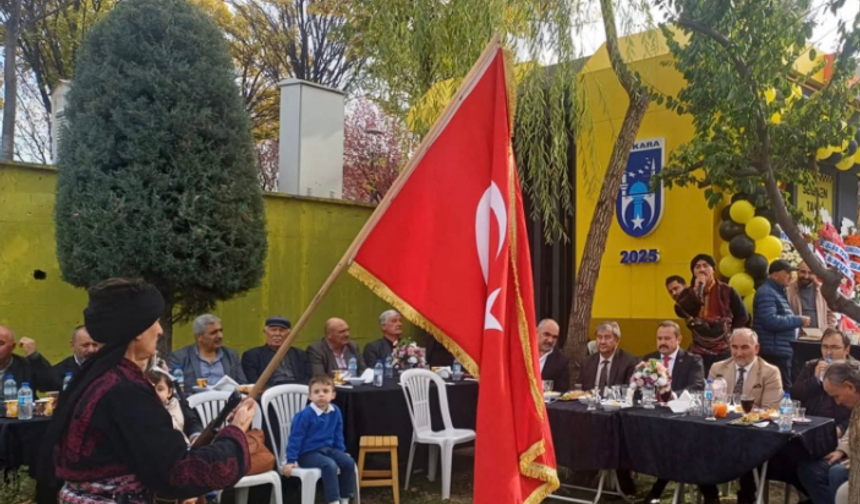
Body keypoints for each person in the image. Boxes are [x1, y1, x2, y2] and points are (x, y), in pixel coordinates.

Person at [42, 278, 256, 503]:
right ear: (137, 330)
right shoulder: (125, 391)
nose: (160, 330)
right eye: (155, 321)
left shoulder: (95, 378)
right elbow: (176, 473)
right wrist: (236, 431)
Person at [703, 328, 783, 504]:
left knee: (747, 451)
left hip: (752, 435)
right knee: (696, 443)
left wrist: (741, 412)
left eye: (745, 347)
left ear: (756, 348)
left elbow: (771, 409)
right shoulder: (718, 368)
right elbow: (708, 401)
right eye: (734, 347)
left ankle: (746, 496)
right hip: (719, 431)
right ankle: (710, 496)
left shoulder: (770, 372)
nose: (739, 353)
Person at [641, 321, 706, 504]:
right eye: (659, 338)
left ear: (679, 339)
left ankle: (658, 489)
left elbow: (697, 386)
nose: (662, 342)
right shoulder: (648, 359)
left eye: (667, 338)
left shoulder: (693, 360)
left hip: (681, 417)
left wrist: (671, 395)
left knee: (682, 443)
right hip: (653, 416)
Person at [282, 374, 356, 504]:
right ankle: (333, 500)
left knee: (348, 462)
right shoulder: (304, 415)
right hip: (307, 453)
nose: (321, 395)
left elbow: (338, 434)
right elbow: (295, 438)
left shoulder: (335, 411)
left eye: (325, 391)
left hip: (328, 449)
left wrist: (341, 451)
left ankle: (345, 498)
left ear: (333, 395)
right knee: (329, 465)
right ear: (310, 396)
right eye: (316, 392)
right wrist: (290, 460)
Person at [674, 254, 749, 375]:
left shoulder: (727, 290)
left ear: (713, 269)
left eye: (705, 266)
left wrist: (727, 331)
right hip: (699, 348)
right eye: (697, 267)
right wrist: (695, 291)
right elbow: (680, 310)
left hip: (723, 350)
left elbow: (743, 316)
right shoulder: (688, 292)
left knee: (722, 384)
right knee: (698, 384)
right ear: (693, 272)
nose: (702, 269)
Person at [800, 360, 860, 504]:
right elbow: (853, 430)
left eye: (836, 396)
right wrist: (842, 450)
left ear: (849, 386)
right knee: (809, 469)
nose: (837, 402)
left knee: (837, 473)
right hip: (850, 456)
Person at [754, 259, 808, 391]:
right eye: (787, 272)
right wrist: (798, 321)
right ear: (775, 274)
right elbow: (770, 320)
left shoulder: (778, 292)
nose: (791, 276)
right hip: (773, 352)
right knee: (780, 389)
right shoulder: (767, 292)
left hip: (780, 351)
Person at [791, 328, 852, 436]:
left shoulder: (855, 371)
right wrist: (814, 379)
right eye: (825, 347)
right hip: (810, 424)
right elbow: (795, 394)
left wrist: (842, 429)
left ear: (847, 350)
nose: (828, 352)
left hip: (839, 427)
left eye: (835, 347)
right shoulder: (811, 366)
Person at [169, 314, 247, 391]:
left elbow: (243, 385)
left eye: (220, 331)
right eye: (213, 333)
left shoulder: (231, 355)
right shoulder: (180, 358)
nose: (220, 336)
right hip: (195, 402)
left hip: (227, 401)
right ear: (199, 337)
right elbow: (176, 390)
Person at [242, 316, 309, 388]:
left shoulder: (300, 355)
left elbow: (308, 379)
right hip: (269, 394)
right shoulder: (252, 356)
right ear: (265, 332)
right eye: (273, 330)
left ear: (289, 334)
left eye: (282, 330)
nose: (277, 334)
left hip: (298, 392)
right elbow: (254, 383)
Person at [580, 322, 638, 393]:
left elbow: (630, 392)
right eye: (599, 337)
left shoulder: (628, 362)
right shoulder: (587, 362)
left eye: (607, 337)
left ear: (617, 341)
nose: (602, 341)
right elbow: (581, 390)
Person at [0, 326, 58, 393]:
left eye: (0, 343)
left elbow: (52, 387)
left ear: (13, 347)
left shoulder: (25, 366)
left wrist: (34, 356)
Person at [787, 261, 836, 333]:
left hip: (820, 338)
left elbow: (831, 314)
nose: (806, 276)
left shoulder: (823, 291)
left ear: (816, 274)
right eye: (803, 272)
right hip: (797, 338)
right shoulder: (787, 290)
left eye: (810, 273)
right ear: (797, 271)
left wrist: (828, 331)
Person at [536, 319, 569, 392]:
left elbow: (562, 392)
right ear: (536, 332)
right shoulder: (522, 353)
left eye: (554, 337)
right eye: (546, 334)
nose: (550, 340)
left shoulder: (561, 361)